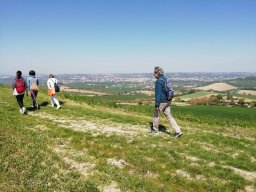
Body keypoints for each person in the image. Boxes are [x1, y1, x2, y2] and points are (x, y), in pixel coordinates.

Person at [151, 66, 183, 137]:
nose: (153, 75)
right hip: (168, 100)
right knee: (169, 116)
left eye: (154, 73)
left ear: (157, 73)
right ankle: (178, 131)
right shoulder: (165, 79)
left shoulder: (158, 81)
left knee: (156, 115)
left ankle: (155, 130)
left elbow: (158, 94)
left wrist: (157, 104)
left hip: (162, 101)